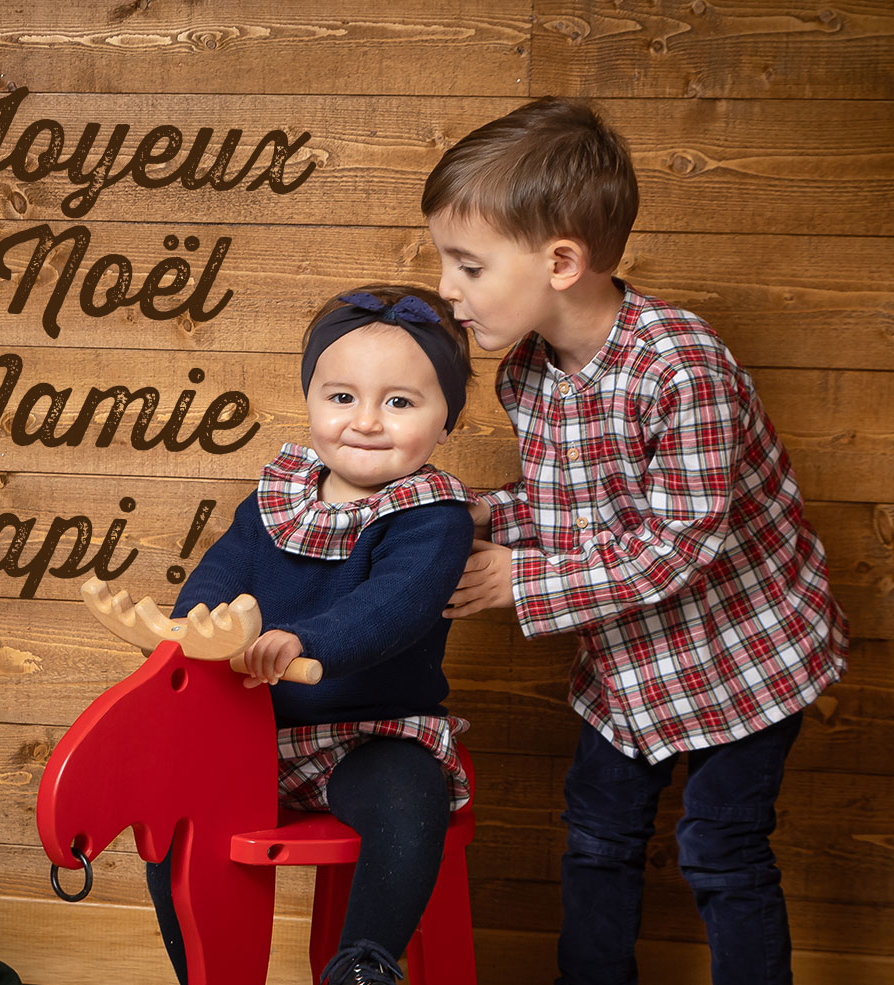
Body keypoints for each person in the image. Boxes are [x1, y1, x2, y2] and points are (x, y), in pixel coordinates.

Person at [427, 98, 848, 985]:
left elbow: (675, 546)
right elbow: (571, 505)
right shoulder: (530, 374)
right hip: (632, 665)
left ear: (563, 262)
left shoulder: (680, 367)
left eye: (466, 263)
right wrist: (482, 516)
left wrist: (521, 583)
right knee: (597, 835)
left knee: (720, 847)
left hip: (746, 652)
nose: (446, 287)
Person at [146, 285, 478, 985]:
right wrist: (193, 629)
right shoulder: (278, 494)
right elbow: (222, 572)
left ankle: (364, 959)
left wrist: (303, 639)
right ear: (311, 400)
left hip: (372, 734)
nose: (365, 422)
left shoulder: (432, 513)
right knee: (172, 805)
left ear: (447, 419)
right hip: (256, 736)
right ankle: (205, 968)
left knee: (410, 798)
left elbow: (394, 606)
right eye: (341, 397)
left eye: (400, 402)